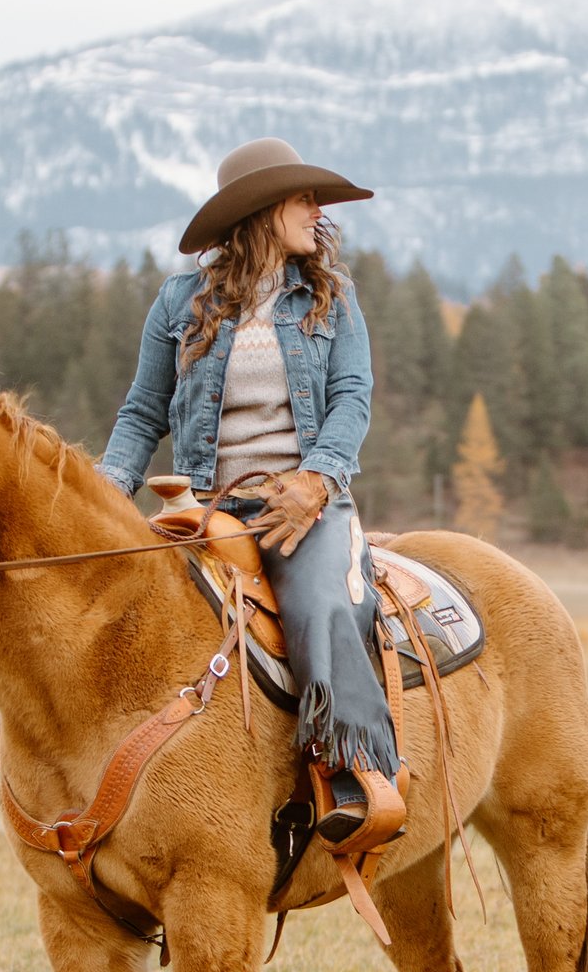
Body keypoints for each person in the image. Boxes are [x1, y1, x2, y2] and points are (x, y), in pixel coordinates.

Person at [98, 136, 405, 856]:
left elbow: (352, 395)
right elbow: (143, 411)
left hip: (302, 503)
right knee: (108, 599)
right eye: (302, 198)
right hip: (202, 507)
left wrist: (318, 479)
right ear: (263, 210)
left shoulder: (332, 296)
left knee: (324, 602)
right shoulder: (180, 301)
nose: (316, 210)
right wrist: (106, 497)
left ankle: (356, 773)